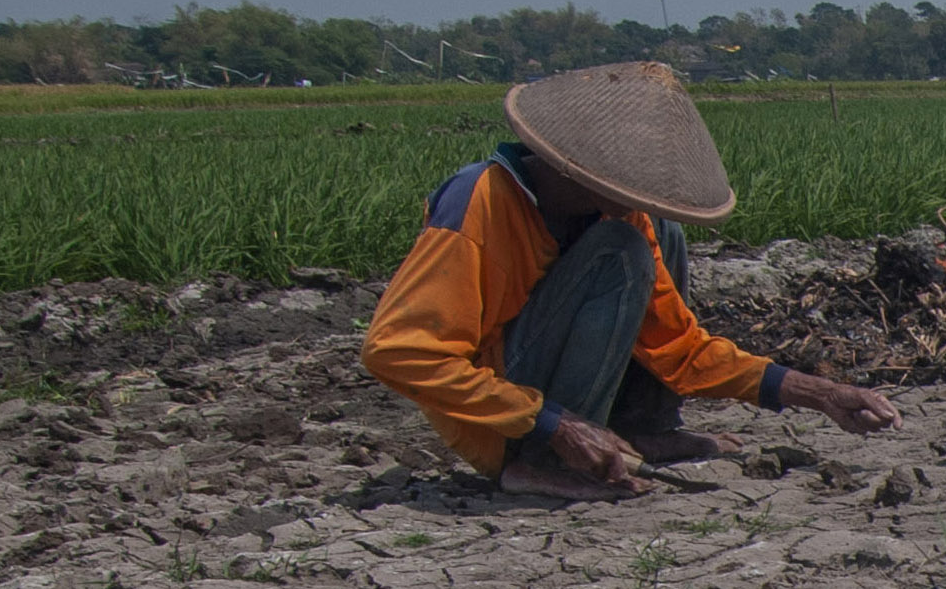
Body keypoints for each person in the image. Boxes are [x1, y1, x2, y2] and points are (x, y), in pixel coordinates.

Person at [363, 61, 899, 499]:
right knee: (621, 253)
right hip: (506, 421)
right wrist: (554, 425)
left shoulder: (620, 214)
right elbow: (399, 351)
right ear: (585, 172)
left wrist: (819, 393)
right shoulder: (481, 200)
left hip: (549, 398)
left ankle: (638, 427)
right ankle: (539, 461)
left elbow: (679, 347)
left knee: (654, 233)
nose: (638, 203)